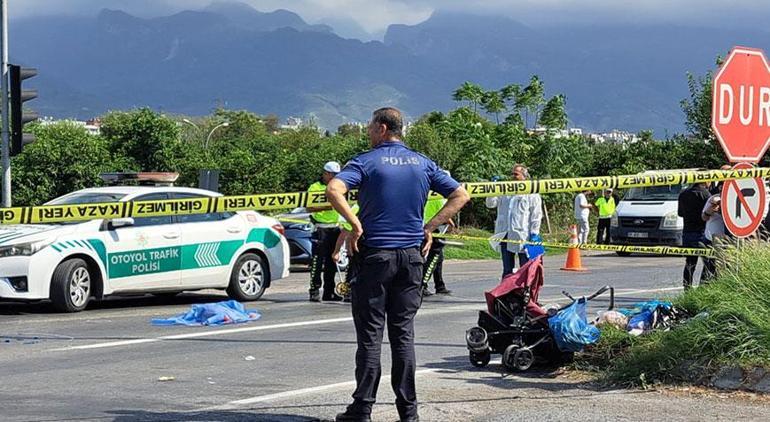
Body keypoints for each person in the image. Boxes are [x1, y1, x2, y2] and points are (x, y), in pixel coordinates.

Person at [326, 107, 469, 422]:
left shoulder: (365, 161)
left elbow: (334, 189)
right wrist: (429, 228)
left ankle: (362, 409)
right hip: (410, 257)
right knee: (403, 334)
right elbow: (460, 195)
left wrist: (354, 224)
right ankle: (409, 413)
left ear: (381, 127)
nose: (367, 132)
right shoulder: (423, 163)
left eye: (369, 126)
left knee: (371, 336)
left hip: (375, 256)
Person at [485, 164, 543, 277]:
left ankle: (524, 291)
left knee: (525, 267)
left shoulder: (531, 192)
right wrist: (492, 189)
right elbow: (490, 204)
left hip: (523, 235)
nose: (513, 176)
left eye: (516, 174)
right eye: (512, 173)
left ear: (524, 176)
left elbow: (536, 214)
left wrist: (534, 233)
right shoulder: (506, 189)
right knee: (507, 268)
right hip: (504, 233)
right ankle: (506, 292)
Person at [307, 161, 344, 302]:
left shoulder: (337, 187)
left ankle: (329, 291)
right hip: (321, 228)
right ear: (326, 174)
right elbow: (309, 207)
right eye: (332, 175)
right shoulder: (315, 188)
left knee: (332, 262)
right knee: (317, 261)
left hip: (335, 227)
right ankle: (314, 290)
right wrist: (328, 206)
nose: (334, 178)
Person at [677, 181, 711, 289]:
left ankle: (687, 288)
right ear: (706, 180)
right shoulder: (706, 195)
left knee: (690, 263)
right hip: (702, 232)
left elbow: (680, 213)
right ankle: (703, 287)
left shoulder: (683, 194)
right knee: (709, 263)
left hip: (687, 232)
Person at [421, 192, 455, 296]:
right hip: (435, 229)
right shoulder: (439, 196)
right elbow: (444, 213)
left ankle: (440, 285)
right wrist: (451, 224)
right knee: (433, 258)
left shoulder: (429, 193)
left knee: (439, 258)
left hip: (427, 227)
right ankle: (423, 285)